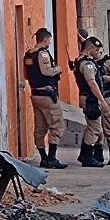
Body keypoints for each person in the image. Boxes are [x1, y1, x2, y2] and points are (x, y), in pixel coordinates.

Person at [23, 28, 68, 169]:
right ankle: (52, 158)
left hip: (35, 94)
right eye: (49, 40)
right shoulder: (42, 54)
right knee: (57, 124)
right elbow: (46, 71)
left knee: (40, 127)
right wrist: (59, 69)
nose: (49, 43)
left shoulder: (28, 55)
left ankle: (43, 158)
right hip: (47, 94)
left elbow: (26, 75)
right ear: (45, 40)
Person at [73, 37, 110, 167]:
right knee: (94, 128)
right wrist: (102, 100)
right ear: (89, 49)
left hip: (88, 98)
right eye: (96, 50)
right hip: (90, 99)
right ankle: (88, 157)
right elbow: (92, 83)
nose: (97, 53)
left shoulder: (82, 61)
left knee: (93, 127)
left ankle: (85, 155)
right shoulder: (87, 64)